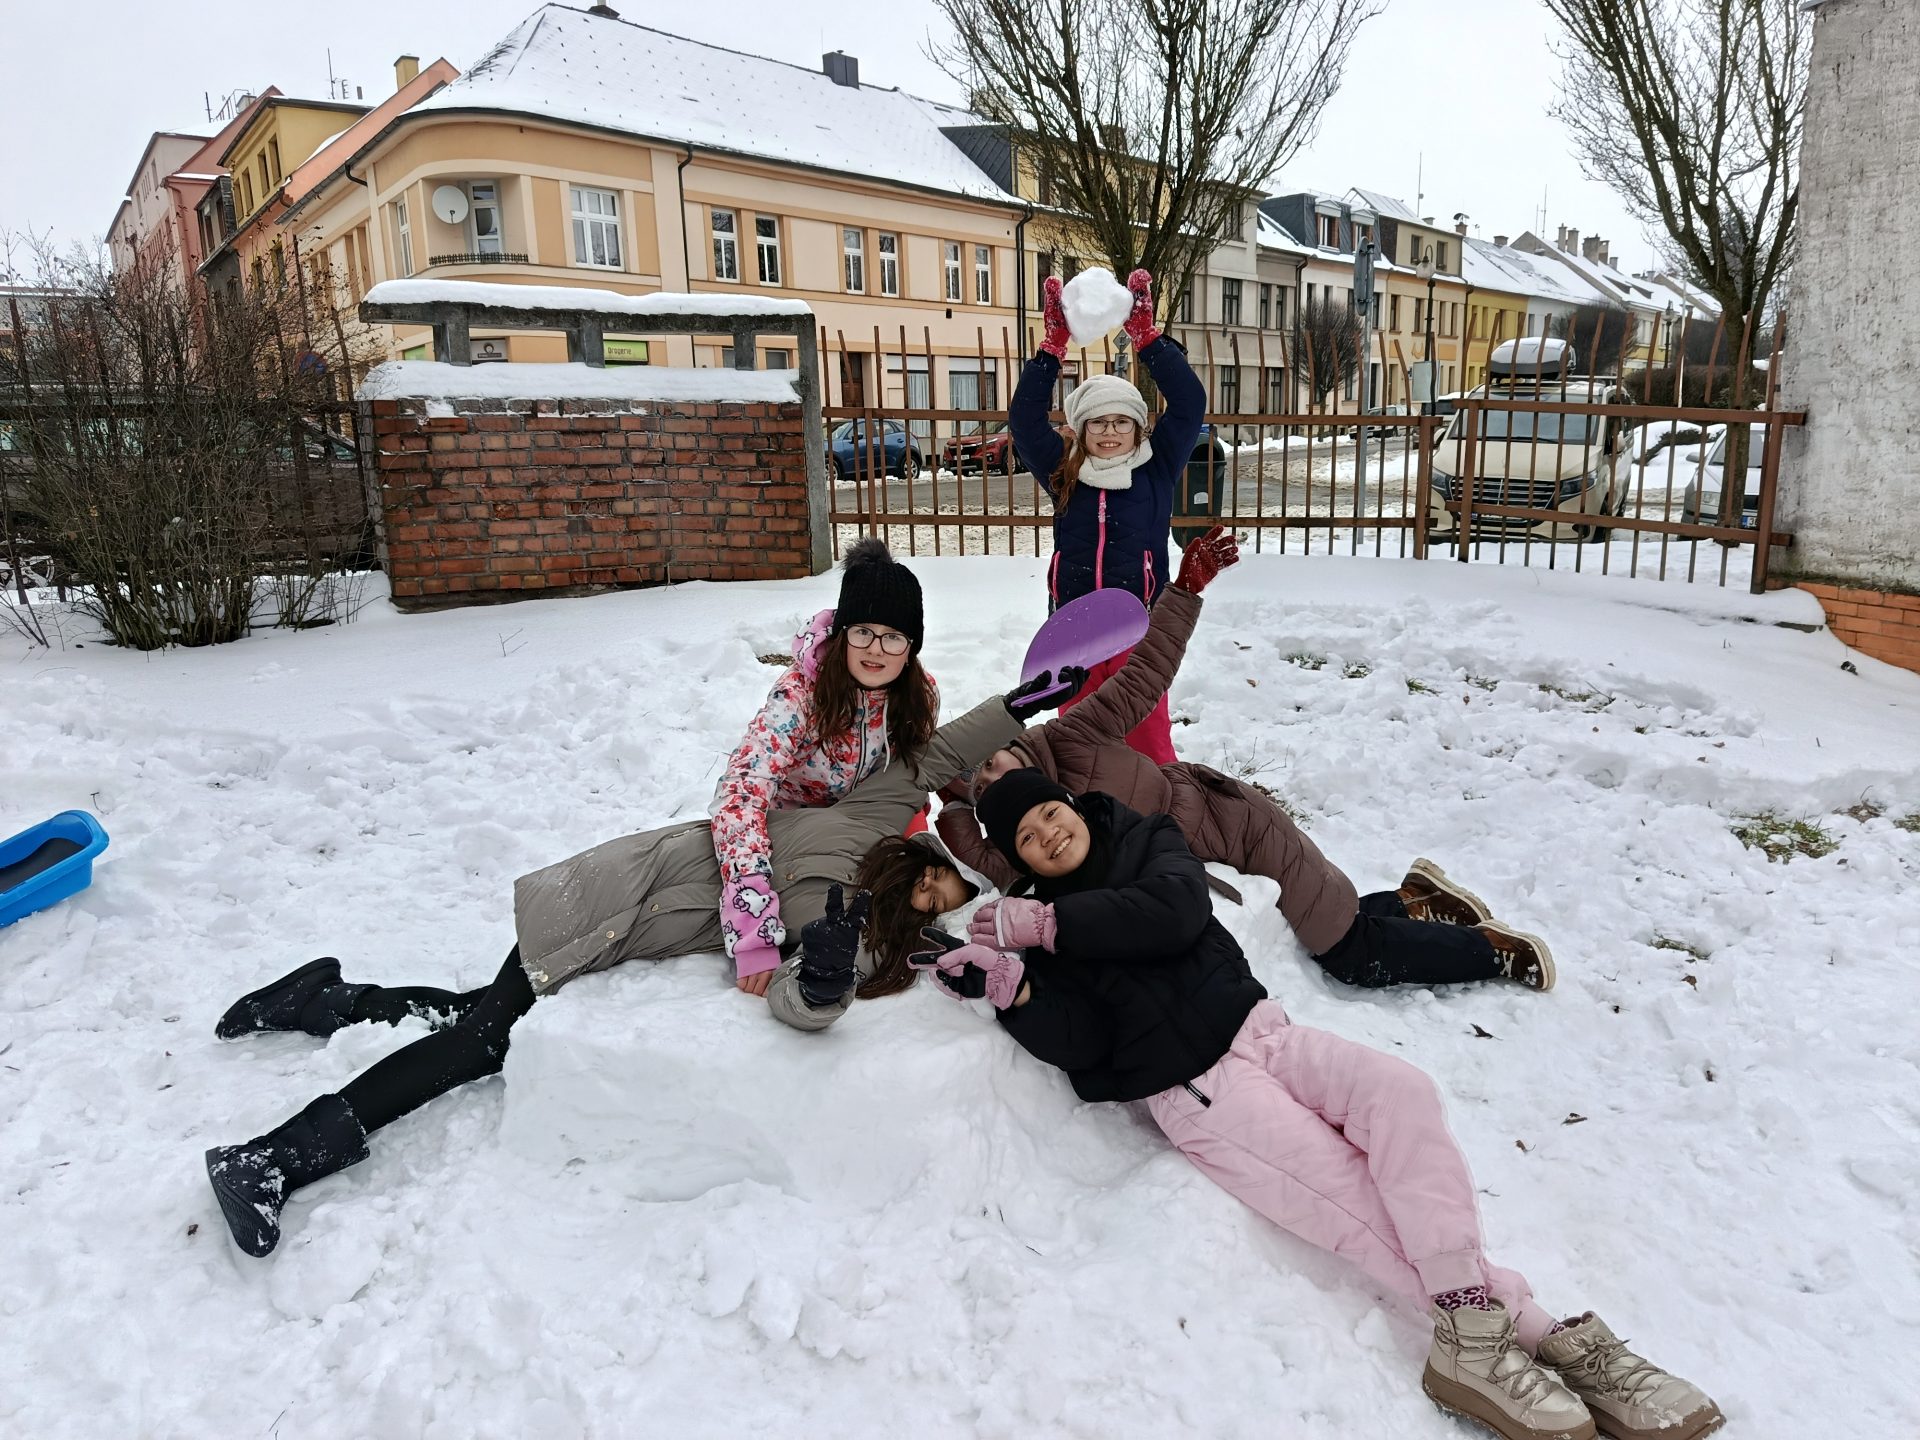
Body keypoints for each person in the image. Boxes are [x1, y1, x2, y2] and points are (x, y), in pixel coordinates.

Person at [908, 769, 1723, 1440]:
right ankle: (1531, 1331)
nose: (1049, 836)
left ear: (1071, 804)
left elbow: (1176, 911)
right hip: (1200, 1090)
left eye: (1049, 814)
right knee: (1355, 1197)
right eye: (1028, 838)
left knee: (1402, 1092)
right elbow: (1086, 1044)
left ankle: (1474, 1329)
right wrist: (1015, 993)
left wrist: (1049, 925)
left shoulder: (1142, 842)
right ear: (1018, 857)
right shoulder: (1030, 937)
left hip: (1267, 1034)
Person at [200, 671, 1082, 1259]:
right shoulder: (869, 819)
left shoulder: (842, 930)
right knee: (483, 1042)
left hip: (622, 920)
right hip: (610, 898)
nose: (926, 894)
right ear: (919, 853)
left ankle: (328, 1000)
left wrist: (822, 983)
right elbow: (939, 755)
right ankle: (274, 1156)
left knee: (488, 1013)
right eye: (932, 880)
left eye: (932, 902)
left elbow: (794, 996)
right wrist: (1020, 703)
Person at [934, 524, 1554, 991]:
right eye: (980, 784)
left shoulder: (1071, 735)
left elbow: (1144, 676)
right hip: (1202, 853)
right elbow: (988, 858)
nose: (992, 776)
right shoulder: (1022, 836)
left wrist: (1184, 592)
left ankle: (1495, 952)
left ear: (1005, 738)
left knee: (1348, 951)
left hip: (1229, 823)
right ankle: (1417, 898)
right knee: (1313, 916)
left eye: (987, 760)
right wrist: (948, 797)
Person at [714, 537, 938, 999]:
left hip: (863, 830)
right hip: (794, 838)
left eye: (894, 636)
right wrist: (753, 923)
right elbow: (741, 791)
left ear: (911, 647)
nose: (876, 649)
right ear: (841, 634)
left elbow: (920, 768)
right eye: (863, 632)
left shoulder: (919, 694)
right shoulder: (801, 695)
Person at [1010, 267, 1205, 766]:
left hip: (1140, 629)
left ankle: (1162, 801)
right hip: (1075, 629)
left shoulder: (1157, 468)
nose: (1111, 432)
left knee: (1148, 737)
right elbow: (1025, 422)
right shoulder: (1065, 473)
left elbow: (1189, 403)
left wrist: (1148, 339)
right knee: (1078, 739)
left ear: (1138, 427)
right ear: (1082, 428)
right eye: (1098, 422)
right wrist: (1052, 349)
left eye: (1122, 421)